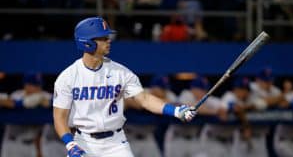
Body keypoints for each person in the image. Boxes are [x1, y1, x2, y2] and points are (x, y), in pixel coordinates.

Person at [52, 16, 196, 157]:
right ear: (87, 42)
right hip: (83, 141)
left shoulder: (120, 72)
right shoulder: (68, 77)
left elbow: (144, 99)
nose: (109, 41)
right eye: (103, 38)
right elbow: (59, 117)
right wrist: (70, 144)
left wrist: (176, 111)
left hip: (115, 143)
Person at [164, 75, 227, 157]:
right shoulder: (186, 94)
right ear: (193, 89)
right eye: (200, 89)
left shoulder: (205, 99)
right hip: (177, 139)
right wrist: (212, 111)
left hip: (194, 139)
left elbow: (223, 109)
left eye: (204, 90)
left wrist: (216, 110)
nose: (203, 92)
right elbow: (190, 108)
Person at [1, 72, 51, 157]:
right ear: (26, 85)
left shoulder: (42, 95)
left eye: (39, 85)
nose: (37, 88)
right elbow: (5, 101)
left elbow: (57, 102)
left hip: (31, 146)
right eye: (34, 85)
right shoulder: (17, 95)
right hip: (12, 143)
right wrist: (22, 103)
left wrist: (43, 101)